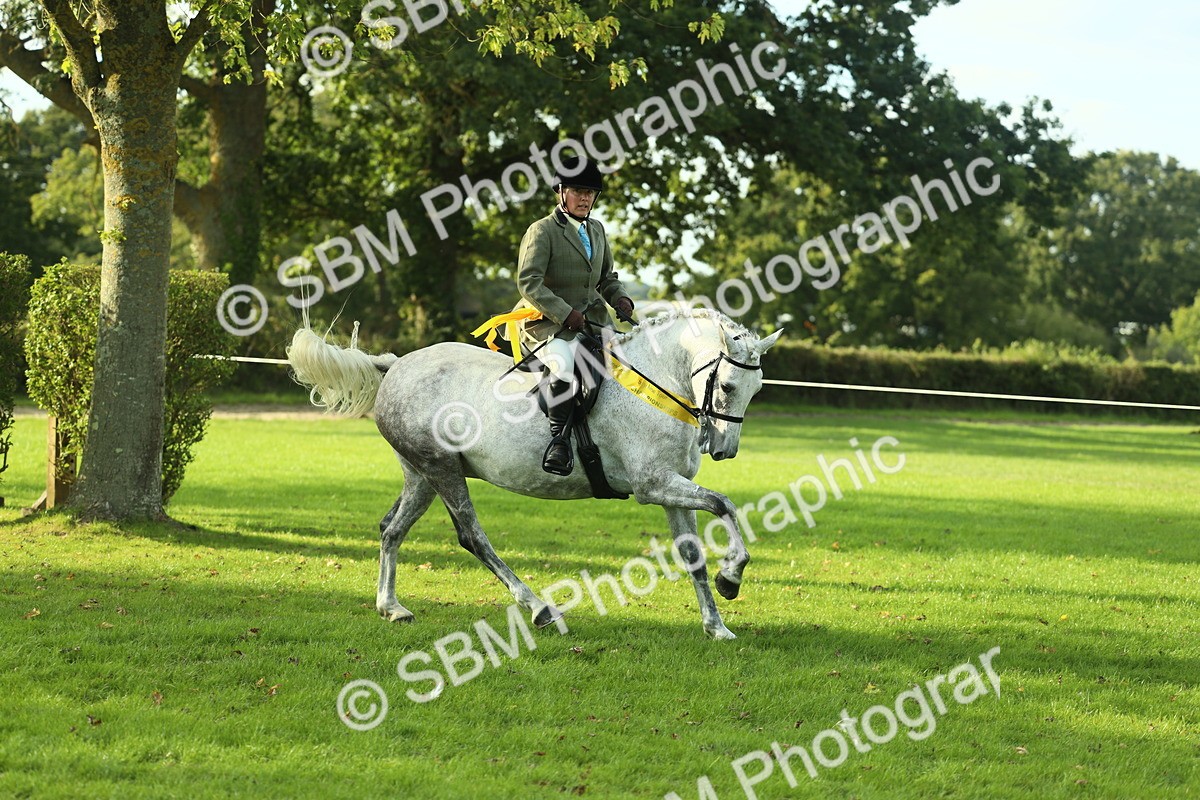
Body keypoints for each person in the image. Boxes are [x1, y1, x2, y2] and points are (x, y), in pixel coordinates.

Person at [509, 156, 635, 475]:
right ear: (561, 192)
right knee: (564, 365)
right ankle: (559, 443)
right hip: (546, 324)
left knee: (626, 363)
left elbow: (606, 277)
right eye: (578, 191)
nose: (585, 198)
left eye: (590, 193)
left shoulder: (597, 230)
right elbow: (528, 282)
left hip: (591, 321)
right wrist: (565, 313)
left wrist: (619, 298)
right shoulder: (543, 231)